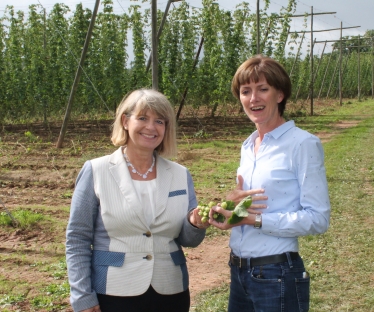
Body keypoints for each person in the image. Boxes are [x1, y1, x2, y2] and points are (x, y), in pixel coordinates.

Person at [66, 89, 209, 312]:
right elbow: (77, 239)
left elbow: (188, 239)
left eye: (159, 121)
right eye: (142, 118)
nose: (151, 127)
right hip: (114, 291)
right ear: (125, 121)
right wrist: (82, 295)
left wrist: (195, 224)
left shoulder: (180, 174)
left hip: (171, 291)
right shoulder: (97, 170)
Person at [209, 55, 330, 312]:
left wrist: (254, 220)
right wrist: (231, 209)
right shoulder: (249, 144)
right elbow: (251, 203)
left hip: (277, 275)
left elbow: (318, 218)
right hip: (239, 271)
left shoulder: (302, 143)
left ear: (280, 95)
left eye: (263, 89)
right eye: (245, 91)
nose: (253, 98)